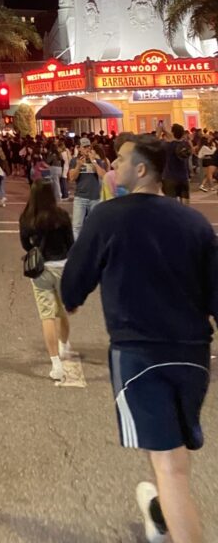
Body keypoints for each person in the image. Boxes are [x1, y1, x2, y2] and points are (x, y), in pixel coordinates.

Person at [62, 134, 218, 543]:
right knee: (168, 453)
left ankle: (175, 522)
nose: (114, 163)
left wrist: (71, 302)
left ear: (143, 169)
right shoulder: (195, 222)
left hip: (138, 356)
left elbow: (73, 283)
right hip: (193, 356)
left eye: (121, 158)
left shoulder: (108, 217)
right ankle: (162, 516)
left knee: (171, 467)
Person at [18, 181, 76, 381]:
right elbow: (71, 244)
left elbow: (25, 245)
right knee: (62, 310)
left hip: (41, 268)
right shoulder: (61, 216)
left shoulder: (27, 218)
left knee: (47, 315)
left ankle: (55, 364)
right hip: (62, 266)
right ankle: (64, 346)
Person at [68, 137, 107, 238]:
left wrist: (94, 161)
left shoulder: (97, 160)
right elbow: (72, 178)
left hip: (95, 198)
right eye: (84, 147)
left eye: (88, 146)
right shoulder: (74, 161)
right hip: (80, 197)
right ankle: (77, 250)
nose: (87, 149)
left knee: (95, 225)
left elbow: (103, 175)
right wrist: (78, 166)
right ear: (79, 148)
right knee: (77, 226)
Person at [162, 123, 193, 203]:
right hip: (183, 177)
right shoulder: (186, 145)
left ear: (172, 133)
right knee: (185, 204)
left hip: (170, 177)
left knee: (172, 206)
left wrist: (161, 131)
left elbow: (154, 147)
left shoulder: (167, 146)